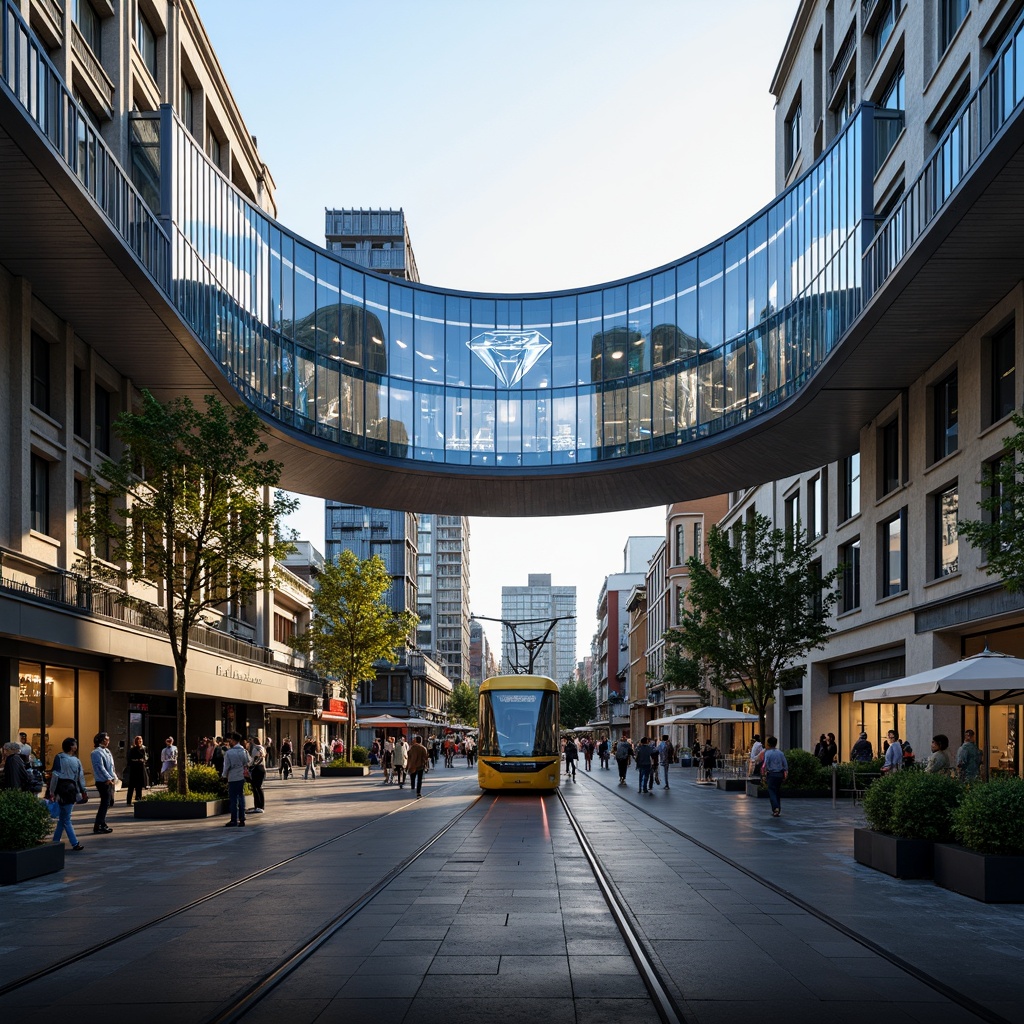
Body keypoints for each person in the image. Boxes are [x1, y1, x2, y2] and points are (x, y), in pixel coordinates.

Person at [49, 737, 86, 851]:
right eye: (75, 744)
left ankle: (56, 841)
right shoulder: (77, 760)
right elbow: (80, 777)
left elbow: (55, 775)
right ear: (71, 746)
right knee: (66, 817)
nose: (76, 746)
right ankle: (74, 843)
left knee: (64, 817)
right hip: (72, 790)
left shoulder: (59, 757)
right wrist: (83, 791)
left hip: (61, 789)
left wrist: (51, 791)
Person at [221, 732, 251, 827]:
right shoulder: (244, 751)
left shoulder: (229, 753)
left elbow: (226, 766)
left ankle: (234, 819)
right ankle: (242, 818)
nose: (229, 741)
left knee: (233, 799)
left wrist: (223, 776)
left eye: (230, 740)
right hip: (241, 776)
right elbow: (248, 762)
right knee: (241, 797)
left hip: (233, 777)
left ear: (233, 740)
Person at [90, 731, 117, 834]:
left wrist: (114, 777)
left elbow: (111, 766)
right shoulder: (96, 752)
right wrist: (107, 778)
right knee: (105, 803)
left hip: (110, 780)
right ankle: (99, 824)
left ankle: (101, 823)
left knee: (109, 802)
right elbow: (99, 767)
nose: (108, 741)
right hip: (103, 781)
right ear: (101, 740)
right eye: (106, 739)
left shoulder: (107, 751)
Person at [762, 735, 788, 817]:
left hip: (771, 774)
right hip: (779, 774)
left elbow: (765, 765)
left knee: (771, 791)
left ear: (769, 744)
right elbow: (785, 765)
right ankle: (778, 809)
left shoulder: (768, 753)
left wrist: (763, 774)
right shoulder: (780, 753)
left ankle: (775, 808)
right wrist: (785, 775)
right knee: (777, 791)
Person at [124, 735, 149, 805]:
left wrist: (144, 760)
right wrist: (137, 760)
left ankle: (138, 799)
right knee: (131, 785)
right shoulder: (132, 749)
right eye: (139, 741)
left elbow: (146, 757)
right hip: (134, 768)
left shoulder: (144, 749)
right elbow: (129, 759)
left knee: (139, 785)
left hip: (141, 768)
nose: (140, 742)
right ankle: (128, 801)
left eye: (141, 741)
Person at [249, 735, 267, 813]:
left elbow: (254, 759)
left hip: (257, 768)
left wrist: (250, 765)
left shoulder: (255, 748)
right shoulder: (262, 748)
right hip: (262, 768)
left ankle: (258, 806)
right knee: (259, 787)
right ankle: (261, 805)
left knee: (256, 787)